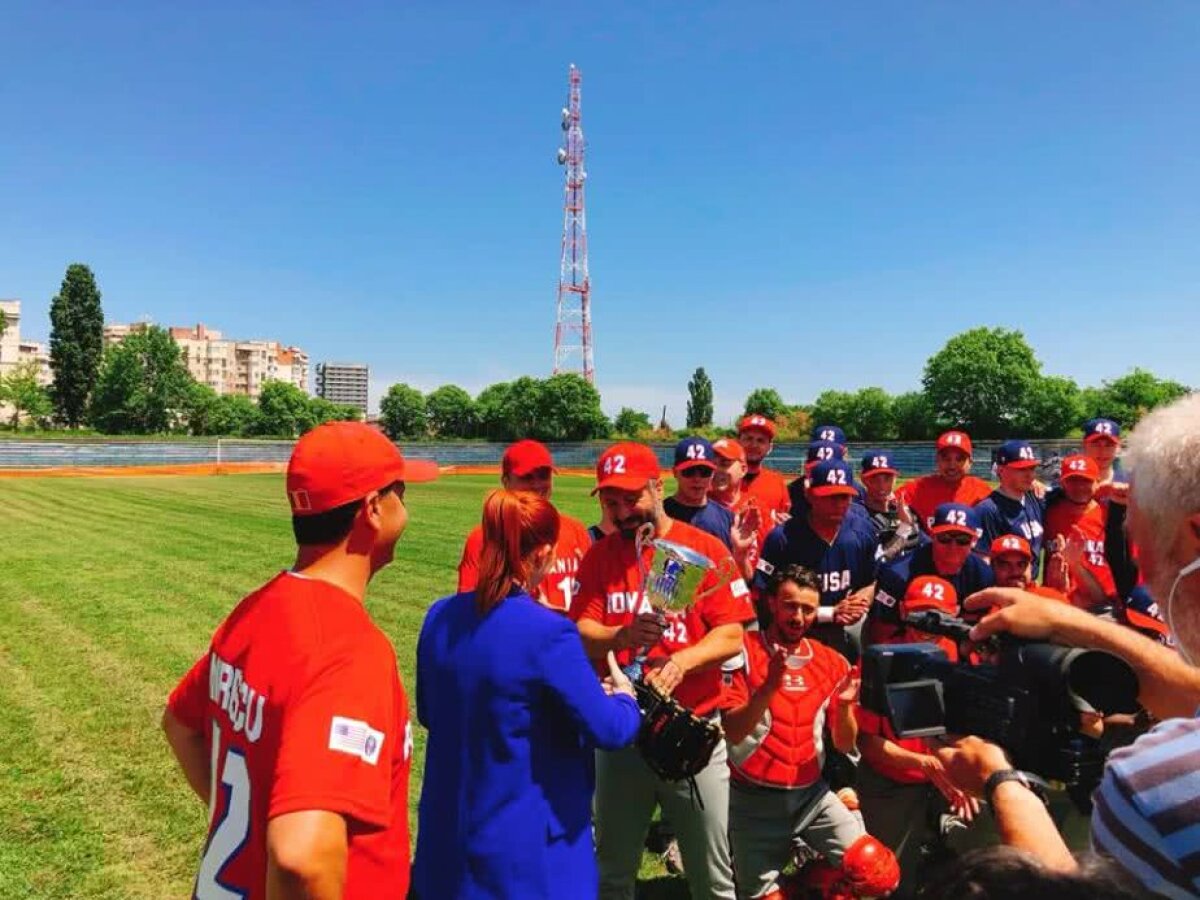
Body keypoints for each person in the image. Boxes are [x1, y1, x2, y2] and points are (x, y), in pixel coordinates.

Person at [161, 422, 439, 899]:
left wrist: (251, 836)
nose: (406, 509)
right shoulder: (349, 649)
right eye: (401, 493)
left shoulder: (256, 607)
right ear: (373, 510)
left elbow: (179, 724)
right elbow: (301, 859)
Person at [957, 394, 1200, 897]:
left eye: (1138, 539)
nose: (1141, 568)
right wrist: (1073, 623)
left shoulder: (1151, 783)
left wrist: (1002, 783)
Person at [413, 490, 642, 899]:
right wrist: (624, 697)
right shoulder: (549, 633)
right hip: (528, 851)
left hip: (449, 836)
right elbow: (609, 729)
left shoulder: (439, 616)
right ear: (544, 554)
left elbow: (432, 712)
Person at [570, 441, 755, 900]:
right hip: (622, 737)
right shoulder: (601, 555)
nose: (622, 510)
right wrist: (622, 636)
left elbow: (733, 633)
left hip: (693, 730)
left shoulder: (701, 548)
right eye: (611, 502)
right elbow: (579, 630)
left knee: (713, 879)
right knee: (611, 873)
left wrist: (682, 660)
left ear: (657, 487)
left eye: (631, 498)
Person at [723, 564, 900, 900]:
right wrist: (768, 687)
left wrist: (846, 706)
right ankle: (794, 883)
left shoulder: (831, 662)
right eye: (790, 605)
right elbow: (732, 730)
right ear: (772, 603)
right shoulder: (742, 651)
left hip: (811, 797)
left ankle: (812, 879)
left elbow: (844, 743)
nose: (799, 617)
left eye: (807, 609)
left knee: (878, 874)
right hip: (751, 802)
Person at [856, 576, 982, 899]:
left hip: (950, 776)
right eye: (919, 614)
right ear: (901, 610)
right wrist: (926, 763)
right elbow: (867, 743)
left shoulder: (966, 656)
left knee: (983, 843)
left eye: (937, 616)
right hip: (893, 778)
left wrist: (962, 774)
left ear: (954, 614)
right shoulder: (880, 660)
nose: (927, 626)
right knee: (888, 877)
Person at [756, 459, 879, 660]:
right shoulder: (783, 538)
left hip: (843, 633)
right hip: (792, 636)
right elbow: (764, 600)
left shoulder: (862, 531)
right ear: (809, 494)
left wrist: (860, 602)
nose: (838, 504)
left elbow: (872, 580)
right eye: (829, 496)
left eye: (843, 496)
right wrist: (829, 613)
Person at [457, 439, 592, 612]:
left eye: (543, 476)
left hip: (566, 636)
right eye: (527, 477)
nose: (536, 485)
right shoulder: (484, 538)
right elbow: (470, 609)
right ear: (506, 482)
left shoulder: (575, 530)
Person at [865, 503, 995, 645]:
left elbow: (981, 630)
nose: (953, 547)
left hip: (955, 646)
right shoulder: (898, 574)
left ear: (974, 541)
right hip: (906, 646)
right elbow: (881, 636)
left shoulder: (983, 575)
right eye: (945, 538)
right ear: (932, 536)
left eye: (962, 540)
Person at [1042, 455, 1117, 608]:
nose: (1079, 487)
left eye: (1086, 480)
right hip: (1057, 603)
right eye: (1072, 480)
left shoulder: (1110, 518)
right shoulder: (1047, 513)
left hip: (1101, 606)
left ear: (1097, 482)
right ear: (1062, 482)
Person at [896, 430, 992, 534]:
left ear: (970, 462)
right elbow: (888, 500)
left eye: (959, 459)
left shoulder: (982, 491)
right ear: (937, 460)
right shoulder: (919, 487)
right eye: (946, 458)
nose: (952, 466)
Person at [974, 440, 1046, 577]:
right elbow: (982, 563)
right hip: (1006, 589)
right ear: (1001, 470)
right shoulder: (987, 510)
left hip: (1031, 587)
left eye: (1032, 468)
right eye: (1021, 469)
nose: (1029, 475)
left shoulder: (1035, 498)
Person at [664, 436, 736, 548]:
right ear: (675, 472)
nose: (697, 479)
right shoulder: (660, 513)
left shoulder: (727, 518)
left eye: (704, 472)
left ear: (713, 473)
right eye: (689, 472)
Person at [858, 450, 920, 561]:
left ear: (896, 478)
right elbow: (879, 561)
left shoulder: (904, 510)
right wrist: (905, 527)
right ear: (863, 479)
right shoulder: (858, 516)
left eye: (887, 478)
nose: (881, 485)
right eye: (874, 479)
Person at [738, 414, 793, 528]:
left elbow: (783, 517)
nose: (754, 445)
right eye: (749, 438)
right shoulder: (723, 479)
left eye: (761, 440)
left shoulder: (777, 481)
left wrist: (784, 522)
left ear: (770, 447)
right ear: (739, 442)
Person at [1081, 417, 1127, 500]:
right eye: (1096, 445)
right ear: (1084, 445)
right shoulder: (1070, 484)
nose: (1103, 452)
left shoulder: (1131, 484)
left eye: (1109, 445)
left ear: (1118, 447)